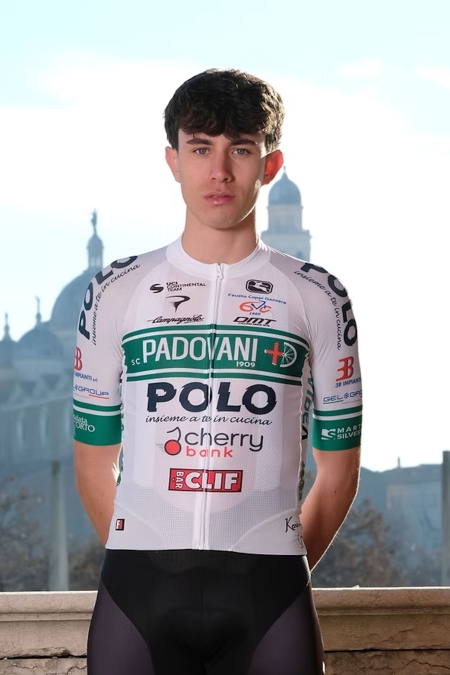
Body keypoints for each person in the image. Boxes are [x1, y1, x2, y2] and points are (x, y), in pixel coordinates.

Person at [73, 68, 362, 675]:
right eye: (201, 148)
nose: (220, 171)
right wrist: (142, 546)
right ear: (173, 161)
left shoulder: (318, 295)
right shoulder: (116, 289)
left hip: (270, 590)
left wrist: (278, 558)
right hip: (138, 587)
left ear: (270, 165)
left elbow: (339, 471)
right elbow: (93, 462)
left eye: (241, 149)